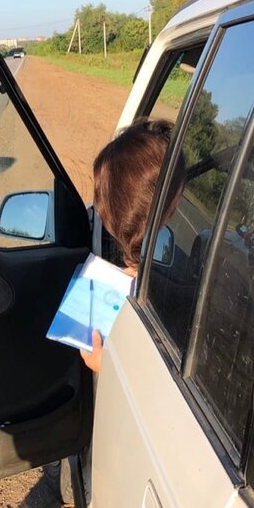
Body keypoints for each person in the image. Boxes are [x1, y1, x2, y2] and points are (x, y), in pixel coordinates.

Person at [80, 117, 175, 373]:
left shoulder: (100, 297)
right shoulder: (157, 303)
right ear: (171, 208)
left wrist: (103, 365)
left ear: (106, 216)